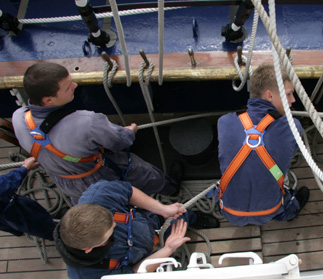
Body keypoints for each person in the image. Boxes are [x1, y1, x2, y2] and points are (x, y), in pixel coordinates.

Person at [12, 62, 181, 204]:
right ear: (48, 100)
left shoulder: (18, 118)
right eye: (67, 87)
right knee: (148, 176)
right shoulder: (87, 122)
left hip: (66, 182)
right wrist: (130, 132)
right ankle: (172, 190)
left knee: (96, 203)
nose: (75, 86)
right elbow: (120, 142)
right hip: (101, 173)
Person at [54, 179, 220, 278]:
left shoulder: (98, 196)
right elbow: (133, 273)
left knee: (182, 216)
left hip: (147, 220)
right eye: (110, 231)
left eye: (112, 220)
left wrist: (161, 209)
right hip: (145, 255)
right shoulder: (89, 275)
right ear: (89, 249)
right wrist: (168, 249)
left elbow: (128, 191)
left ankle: (193, 217)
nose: (114, 224)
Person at [217, 63, 309, 226]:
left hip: (230, 212)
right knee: (279, 179)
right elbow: (292, 149)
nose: (293, 100)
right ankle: (291, 211)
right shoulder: (293, 127)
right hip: (270, 211)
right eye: (288, 94)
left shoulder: (224, 122)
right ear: (270, 95)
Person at [0, 157, 56, 240]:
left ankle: (17, 231)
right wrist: (25, 168)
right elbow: (5, 184)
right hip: (8, 209)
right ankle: (56, 234)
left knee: (10, 224)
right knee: (37, 224)